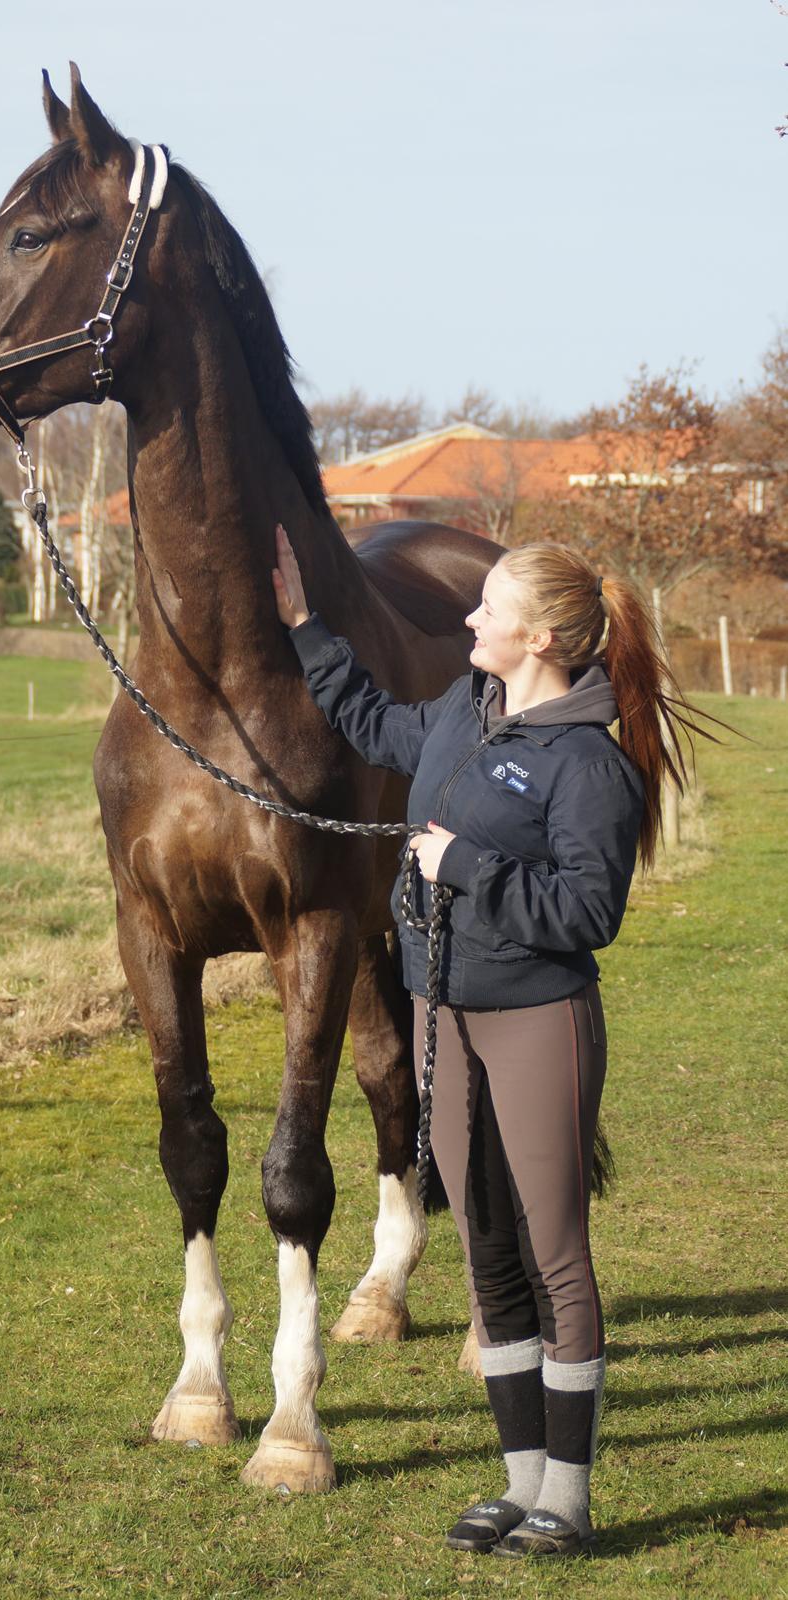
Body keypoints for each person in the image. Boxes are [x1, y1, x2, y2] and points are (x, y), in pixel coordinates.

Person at [272, 525, 700, 1559]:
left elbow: (586, 912)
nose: (469, 617)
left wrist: (463, 864)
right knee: (483, 1252)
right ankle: (516, 1486)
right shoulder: (464, 712)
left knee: (553, 1256)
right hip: (440, 1014)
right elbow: (372, 722)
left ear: (540, 635)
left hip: (534, 1018)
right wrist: (301, 628)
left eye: (488, 607)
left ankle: (568, 1495)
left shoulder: (585, 765)